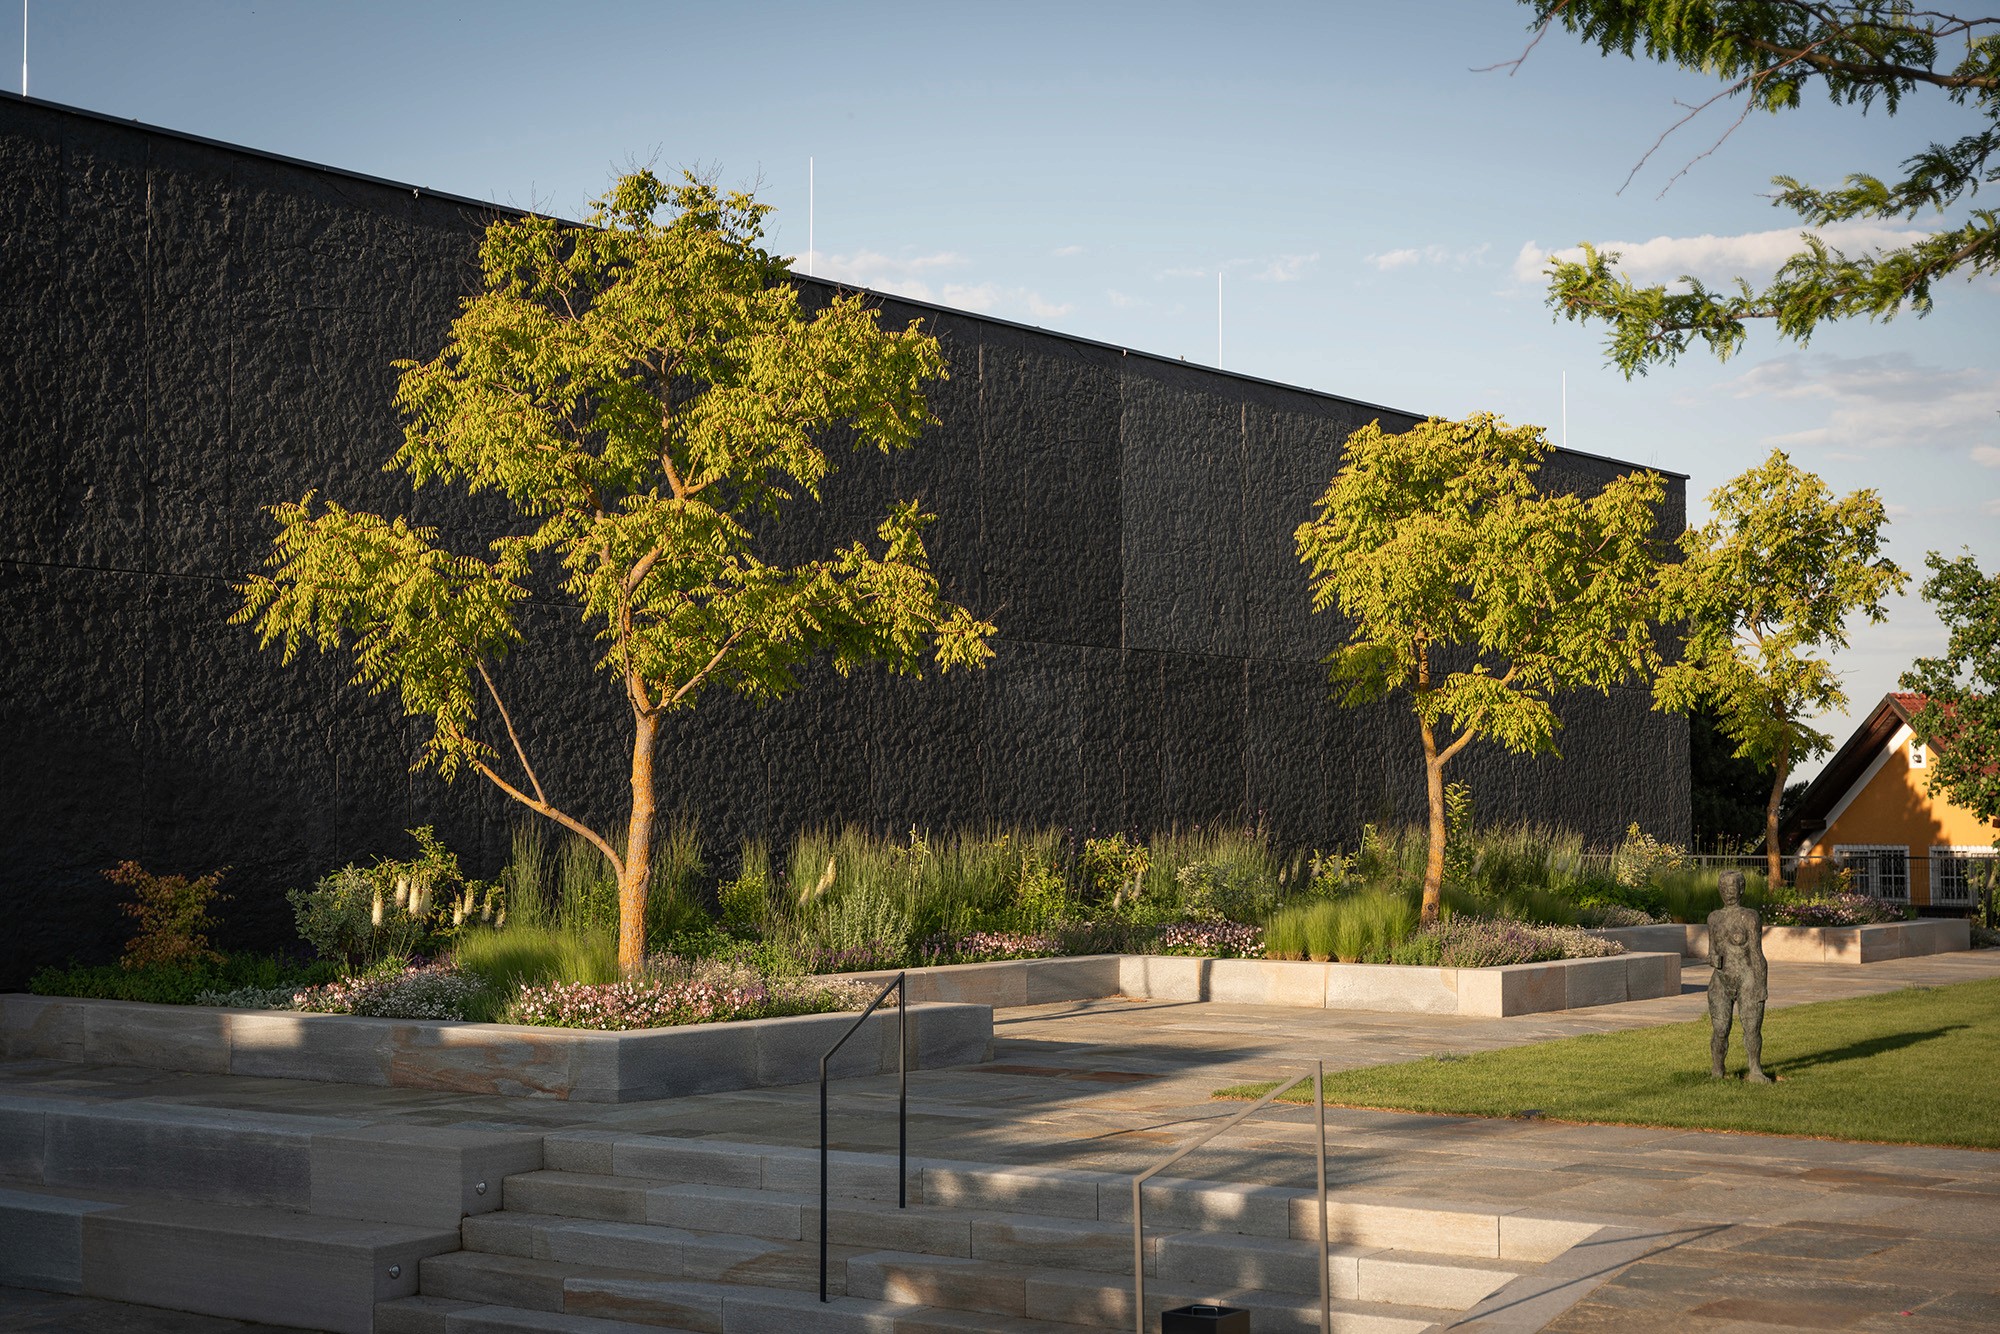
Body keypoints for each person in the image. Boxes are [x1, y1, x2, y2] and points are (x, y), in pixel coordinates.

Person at [1707, 870, 1772, 1082]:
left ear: (1741, 889)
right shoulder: (1714, 918)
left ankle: (1755, 1069)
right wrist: (1712, 958)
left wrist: (1761, 985)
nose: (1728, 893)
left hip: (1747, 979)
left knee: (1752, 1028)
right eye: (1724, 889)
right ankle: (1717, 1070)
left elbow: (1756, 954)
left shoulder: (1750, 917)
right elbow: (1712, 950)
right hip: (1720, 980)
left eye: (1732, 888)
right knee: (1720, 1029)